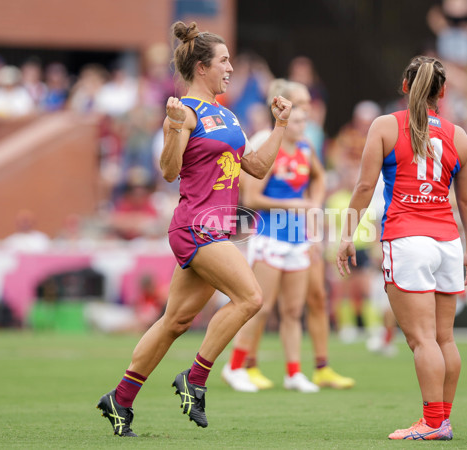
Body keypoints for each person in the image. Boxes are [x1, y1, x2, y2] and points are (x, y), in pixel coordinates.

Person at [96, 21, 292, 437]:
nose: (231, 68)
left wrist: (279, 128)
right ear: (201, 67)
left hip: (215, 231)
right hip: (194, 227)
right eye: (224, 60)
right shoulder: (184, 111)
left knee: (175, 321)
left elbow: (255, 167)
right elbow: (168, 171)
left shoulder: (226, 114)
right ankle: (196, 378)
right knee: (251, 296)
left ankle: (121, 398)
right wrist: (173, 128)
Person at [336, 56, 467, 440]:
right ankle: (442, 420)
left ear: (405, 85)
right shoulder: (460, 137)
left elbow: (365, 187)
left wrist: (347, 234)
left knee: (422, 339)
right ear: (443, 92)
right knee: (444, 338)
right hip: (448, 241)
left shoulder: (385, 126)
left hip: (407, 239)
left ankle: (433, 422)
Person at [223, 80, 353, 392]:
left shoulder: (306, 148)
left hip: (298, 236)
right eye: (297, 117)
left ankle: (294, 372)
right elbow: (251, 197)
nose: (303, 122)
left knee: (294, 311)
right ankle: (236, 365)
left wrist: (313, 205)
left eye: (305, 118)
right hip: (271, 234)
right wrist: (293, 203)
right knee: (262, 305)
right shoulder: (269, 146)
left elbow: (319, 178)